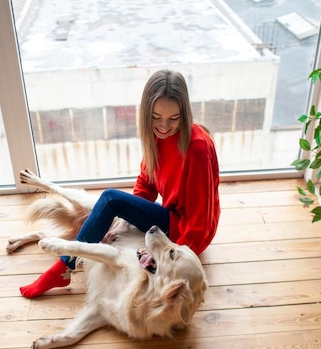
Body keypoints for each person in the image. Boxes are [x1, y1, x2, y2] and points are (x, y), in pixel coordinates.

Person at [19, 69, 221, 298]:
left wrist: (173, 257)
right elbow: (146, 184)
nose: (164, 126)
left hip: (186, 233)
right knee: (113, 205)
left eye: (174, 118)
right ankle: (65, 267)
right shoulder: (157, 137)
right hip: (170, 216)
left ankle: (63, 268)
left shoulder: (197, 148)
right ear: (147, 114)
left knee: (111, 198)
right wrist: (125, 221)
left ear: (184, 114)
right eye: (156, 117)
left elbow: (200, 222)